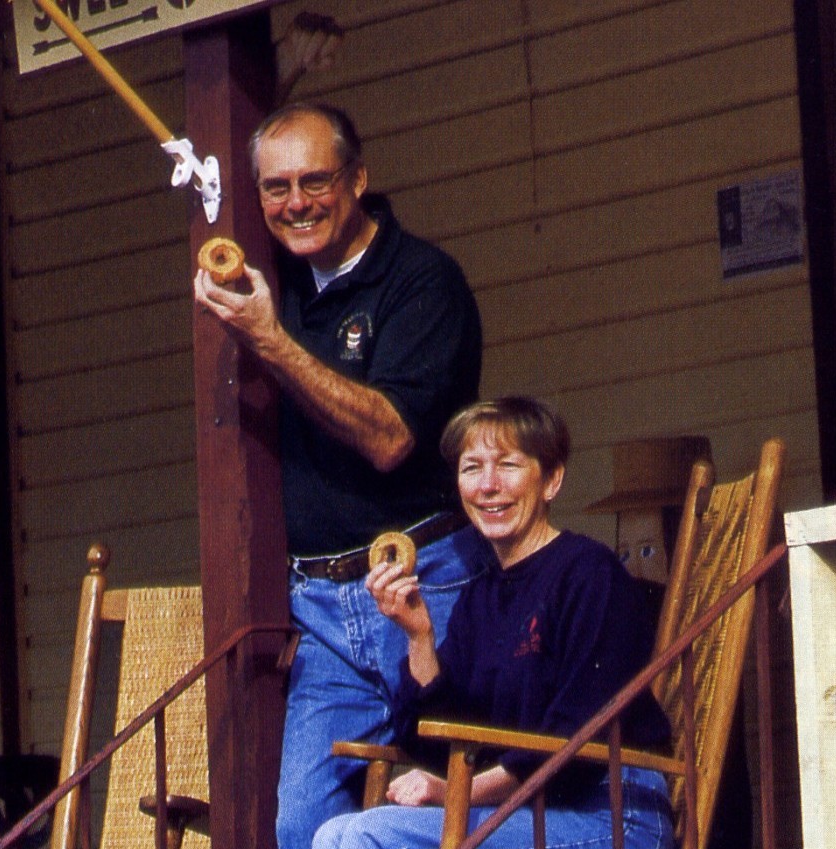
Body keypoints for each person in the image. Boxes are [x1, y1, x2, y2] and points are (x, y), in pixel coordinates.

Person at [192, 103, 484, 849]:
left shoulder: (423, 280)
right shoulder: (277, 284)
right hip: (319, 606)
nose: (295, 204)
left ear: (358, 178)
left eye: (315, 181)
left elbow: (389, 437)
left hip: (426, 581)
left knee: (441, 804)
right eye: (276, 187)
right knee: (300, 825)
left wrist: (269, 340)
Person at [313, 396, 674, 849]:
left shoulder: (589, 574)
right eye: (471, 468)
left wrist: (455, 795)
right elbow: (437, 741)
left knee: (371, 835)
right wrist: (419, 634)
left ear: (551, 481)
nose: (487, 485)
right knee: (333, 833)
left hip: (611, 812)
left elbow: (578, 741)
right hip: (529, 811)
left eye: (507, 465)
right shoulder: (480, 597)